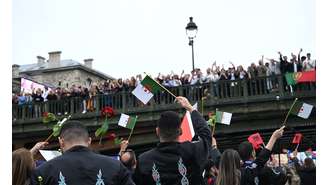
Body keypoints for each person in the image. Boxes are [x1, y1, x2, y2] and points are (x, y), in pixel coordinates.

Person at [134, 96, 211, 185]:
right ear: (180, 131)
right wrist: (190, 108)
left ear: (157, 131)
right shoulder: (193, 150)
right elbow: (207, 136)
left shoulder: (144, 160)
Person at [31, 121, 134, 185]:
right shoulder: (115, 166)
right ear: (89, 141)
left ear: (61, 142)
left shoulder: (44, 171)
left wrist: (30, 153)